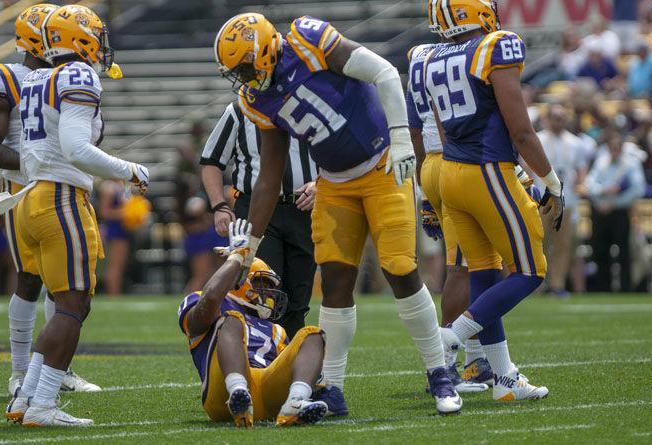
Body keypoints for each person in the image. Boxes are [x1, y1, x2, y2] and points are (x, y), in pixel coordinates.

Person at [214, 13, 461, 414]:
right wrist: (250, 248)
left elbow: (384, 73)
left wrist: (401, 138)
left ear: (262, 50)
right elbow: (269, 174)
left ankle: (439, 372)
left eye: (244, 66)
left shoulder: (309, 40)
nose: (242, 77)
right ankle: (333, 387)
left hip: (383, 165)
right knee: (334, 280)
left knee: (399, 268)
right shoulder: (257, 98)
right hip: (334, 183)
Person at [5, 5, 149, 426]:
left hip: (30, 198)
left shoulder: (36, 76)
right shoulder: (77, 75)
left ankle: (25, 397)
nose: (101, 46)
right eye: (96, 36)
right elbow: (76, 149)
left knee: (64, 304)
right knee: (73, 306)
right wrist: (131, 170)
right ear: (79, 38)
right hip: (60, 199)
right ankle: (43, 405)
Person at [426, 0, 564, 401]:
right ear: (479, 13)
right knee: (531, 270)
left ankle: (504, 378)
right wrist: (550, 180)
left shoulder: (431, 56)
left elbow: (441, 127)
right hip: (485, 171)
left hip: (451, 172)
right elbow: (520, 129)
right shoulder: (493, 46)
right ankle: (450, 337)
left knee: (484, 273)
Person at [0, 3, 99, 396]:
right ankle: (20, 374)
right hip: (24, 189)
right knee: (31, 281)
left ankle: (54, 370)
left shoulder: (59, 75)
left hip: (57, 187)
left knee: (62, 285)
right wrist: (40, 168)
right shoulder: (5, 76)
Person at [178, 218, 329, 427]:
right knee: (231, 320)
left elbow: (288, 365)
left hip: (267, 389)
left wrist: (311, 374)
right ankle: (238, 393)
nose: (268, 293)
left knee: (312, 335)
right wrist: (237, 258)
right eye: (261, 284)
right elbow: (211, 298)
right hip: (222, 394)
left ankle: (295, 402)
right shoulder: (211, 304)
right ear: (240, 283)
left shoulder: (276, 330)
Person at [406, 43, 491, 392]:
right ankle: (445, 365)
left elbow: (414, 128)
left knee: (478, 262)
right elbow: (447, 123)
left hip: (431, 164)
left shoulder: (419, 57)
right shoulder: (459, 55)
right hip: (455, 159)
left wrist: (423, 189)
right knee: (464, 265)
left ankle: (473, 357)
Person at [201, 102, 318, 339]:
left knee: (299, 297)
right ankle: (260, 356)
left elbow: (340, 155)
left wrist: (322, 184)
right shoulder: (239, 110)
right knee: (262, 292)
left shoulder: (313, 104)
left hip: (304, 207)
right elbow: (211, 161)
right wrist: (219, 206)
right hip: (257, 208)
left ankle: (289, 362)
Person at [525, 104, 587, 296]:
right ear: (548, 119)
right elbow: (527, 168)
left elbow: (580, 170)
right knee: (539, 242)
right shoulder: (538, 139)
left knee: (562, 244)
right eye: (555, 118)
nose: (559, 122)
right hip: (542, 199)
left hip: (566, 198)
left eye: (562, 118)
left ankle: (557, 284)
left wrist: (579, 188)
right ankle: (537, 284)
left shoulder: (575, 142)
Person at [585, 131, 646, 292]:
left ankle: (625, 287)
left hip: (619, 212)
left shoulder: (630, 164)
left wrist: (616, 202)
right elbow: (590, 185)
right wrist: (603, 191)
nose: (614, 150)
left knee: (623, 251)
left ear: (622, 148)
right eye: (612, 147)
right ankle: (603, 287)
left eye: (617, 147)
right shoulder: (601, 162)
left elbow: (637, 189)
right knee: (600, 250)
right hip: (601, 212)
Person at [98, 180, 130, 295]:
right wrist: (126, 212)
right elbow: (104, 212)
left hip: (122, 229)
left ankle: (116, 293)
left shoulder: (120, 186)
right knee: (115, 265)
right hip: (114, 230)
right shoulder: (109, 187)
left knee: (120, 264)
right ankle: (114, 295)